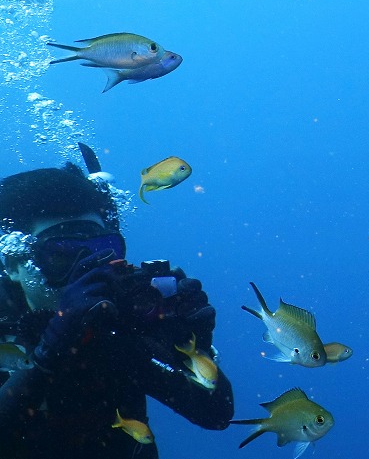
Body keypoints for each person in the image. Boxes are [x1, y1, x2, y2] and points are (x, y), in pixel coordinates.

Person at [0, 157, 234, 458]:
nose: (86, 273)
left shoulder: (115, 320)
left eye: (101, 251)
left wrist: (194, 349)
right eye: (61, 255)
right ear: (13, 263)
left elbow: (214, 414)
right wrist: (50, 352)